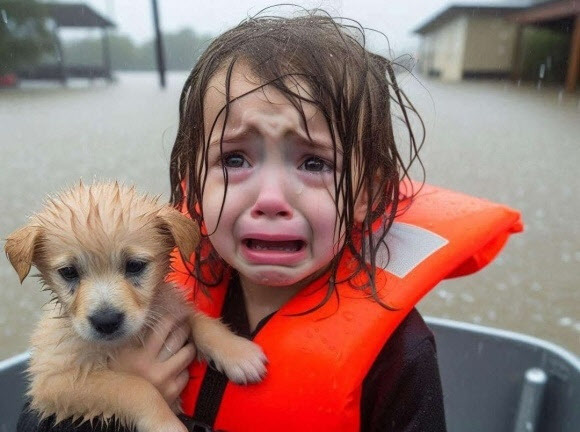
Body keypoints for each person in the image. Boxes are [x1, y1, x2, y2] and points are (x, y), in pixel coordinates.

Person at [18, 7, 447, 432]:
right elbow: (35, 416)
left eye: (315, 163)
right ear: (195, 182)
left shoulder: (400, 356)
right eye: (235, 158)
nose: (271, 199)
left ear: (366, 195)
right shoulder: (175, 278)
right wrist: (119, 407)